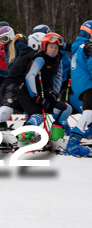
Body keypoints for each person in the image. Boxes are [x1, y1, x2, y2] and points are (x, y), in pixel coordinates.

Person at [17, 32, 73, 144]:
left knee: (65, 108)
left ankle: (56, 137)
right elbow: (30, 76)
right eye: (51, 47)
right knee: (38, 116)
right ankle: (24, 137)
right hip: (28, 94)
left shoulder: (56, 59)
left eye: (56, 48)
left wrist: (54, 93)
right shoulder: (40, 58)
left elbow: (57, 77)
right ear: (44, 47)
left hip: (45, 93)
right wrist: (36, 97)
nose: (54, 50)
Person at [0, 29, 37, 129]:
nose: (3, 42)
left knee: (19, 106)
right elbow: (10, 69)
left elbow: (27, 56)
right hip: (13, 81)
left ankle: (26, 128)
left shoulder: (18, 44)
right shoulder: (7, 48)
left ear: (11, 36)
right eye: (1, 40)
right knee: (9, 105)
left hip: (19, 81)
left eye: (5, 38)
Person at [64, 20, 92, 156]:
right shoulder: (89, 46)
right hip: (88, 83)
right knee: (89, 112)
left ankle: (89, 131)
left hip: (80, 85)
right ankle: (73, 144)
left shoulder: (78, 47)